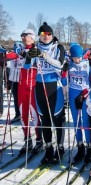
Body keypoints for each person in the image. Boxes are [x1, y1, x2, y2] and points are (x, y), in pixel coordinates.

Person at [25, 22, 65, 164]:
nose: (46, 36)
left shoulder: (58, 47)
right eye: (43, 34)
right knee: (45, 119)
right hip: (40, 86)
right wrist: (29, 56)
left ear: (52, 35)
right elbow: (26, 66)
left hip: (55, 86)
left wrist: (44, 56)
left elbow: (60, 64)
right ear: (39, 36)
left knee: (57, 118)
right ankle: (49, 149)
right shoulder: (36, 47)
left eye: (48, 34)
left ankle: (60, 148)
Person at [3, 30, 43, 155]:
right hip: (21, 87)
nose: (23, 38)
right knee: (22, 114)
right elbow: (10, 56)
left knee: (34, 114)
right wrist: (4, 53)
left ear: (32, 38)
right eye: (22, 36)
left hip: (33, 87)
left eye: (25, 36)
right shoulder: (20, 51)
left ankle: (39, 140)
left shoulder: (37, 51)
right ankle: (27, 140)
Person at [61, 44, 91, 164]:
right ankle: (80, 148)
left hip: (85, 95)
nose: (77, 60)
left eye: (79, 57)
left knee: (86, 122)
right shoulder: (69, 64)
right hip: (73, 95)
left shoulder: (86, 64)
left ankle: (89, 149)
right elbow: (63, 82)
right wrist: (64, 71)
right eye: (75, 58)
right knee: (76, 122)